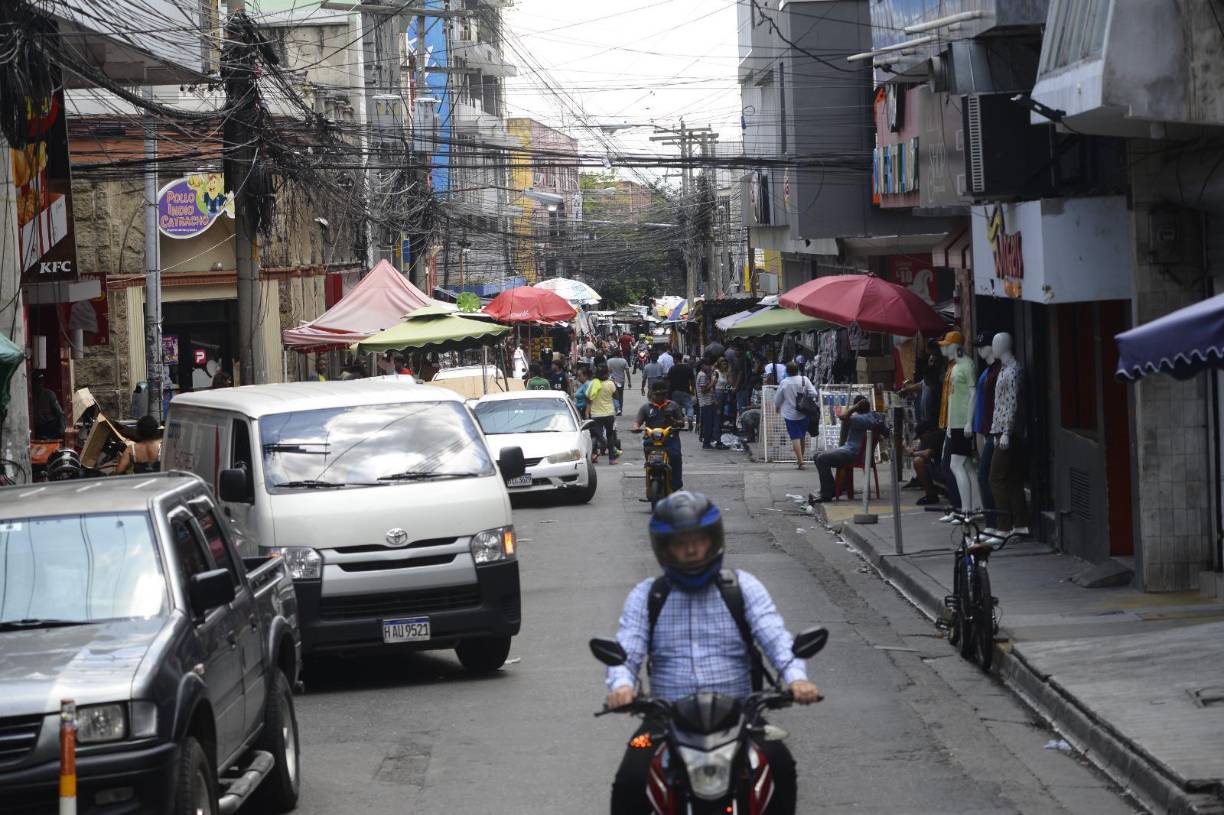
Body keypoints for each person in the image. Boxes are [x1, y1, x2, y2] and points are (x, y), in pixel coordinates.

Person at [604, 491, 821, 814]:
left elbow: (777, 639)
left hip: (740, 718)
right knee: (631, 778)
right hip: (666, 721)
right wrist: (622, 687)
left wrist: (796, 680)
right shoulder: (648, 595)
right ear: (665, 548)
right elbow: (627, 648)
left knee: (780, 763)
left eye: (698, 540)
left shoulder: (742, 588)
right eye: (680, 543)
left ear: (713, 540)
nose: (691, 550)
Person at [812, 396, 890, 502]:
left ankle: (827, 493)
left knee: (821, 458)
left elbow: (843, 417)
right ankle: (831, 488)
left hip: (853, 453)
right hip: (860, 453)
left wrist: (854, 407)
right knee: (817, 455)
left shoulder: (860, 419)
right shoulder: (875, 416)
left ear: (858, 407)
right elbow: (886, 433)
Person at [632, 380, 686, 491]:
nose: (660, 397)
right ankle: (649, 473)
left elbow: (682, 422)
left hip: (670, 439)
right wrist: (636, 427)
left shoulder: (673, 406)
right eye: (657, 394)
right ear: (652, 394)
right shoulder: (646, 408)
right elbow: (637, 421)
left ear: (666, 394)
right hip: (652, 439)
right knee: (648, 454)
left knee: (675, 457)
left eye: (662, 394)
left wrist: (675, 422)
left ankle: (676, 485)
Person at [773, 362, 818, 469]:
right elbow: (814, 393)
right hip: (804, 412)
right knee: (802, 436)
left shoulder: (784, 382)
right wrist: (804, 394)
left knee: (795, 437)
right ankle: (800, 459)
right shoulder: (804, 379)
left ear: (787, 371)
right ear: (798, 370)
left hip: (790, 414)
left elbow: (778, 399)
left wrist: (777, 407)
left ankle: (801, 462)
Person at [588, 364, 621, 464]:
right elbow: (616, 397)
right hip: (609, 413)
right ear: (607, 373)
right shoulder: (610, 383)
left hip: (596, 414)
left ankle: (598, 451)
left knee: (597, 435)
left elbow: (588, 396)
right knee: (610, 435)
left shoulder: (593, 383)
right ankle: (612, 459)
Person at [31, 372, 67, 440]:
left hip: (49, 427)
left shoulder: (49, 394)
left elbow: (60, 413)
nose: (38, 384)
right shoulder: (30, 396)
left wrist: (62, 430)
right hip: (37, 428)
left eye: (40, 382)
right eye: (36, 382)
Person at [695, 358, 721, 449]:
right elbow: (703, 390)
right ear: (703, 365)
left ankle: (707, 442)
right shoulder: (702, 375)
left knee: (708, 423)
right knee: (708, 424)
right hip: (706, 403)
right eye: (708, 365)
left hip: (707, 402)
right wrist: (713, 383)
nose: (709, 367)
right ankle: (706, 443)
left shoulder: (703, 374)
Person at [666, 354, 696, 431]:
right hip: (685, 391)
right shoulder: (688, 368)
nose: (673, 361)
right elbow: (692, 380)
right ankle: (690, 418)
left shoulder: (672, 369)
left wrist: (668, 392)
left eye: (673, 359)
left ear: (676, 359)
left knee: (677, 407)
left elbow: (668, 381)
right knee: (689, 406)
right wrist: (692, 390)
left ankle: (680, 421)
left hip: (675, 392)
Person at [606, 352, 631, 416]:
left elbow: (607, 371)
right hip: (620, 381)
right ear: (620, 354)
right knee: (620, 396)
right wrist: (629, 382)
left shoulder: (609, 361)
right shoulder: (623, 361)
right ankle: (620, 410)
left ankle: (615, 409)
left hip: (611, 381)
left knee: (612, 396)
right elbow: (627, 371)